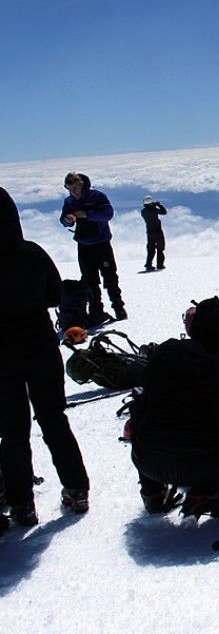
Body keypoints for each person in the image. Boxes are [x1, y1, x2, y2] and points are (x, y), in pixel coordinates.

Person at [130, 296, 219, 518]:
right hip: (201, 467)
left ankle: (152, 492)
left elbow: (145, 392)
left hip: (146, 461)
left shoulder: (168, 350)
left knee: (147, 409)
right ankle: (209, 489)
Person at [1, 186, 90, 526]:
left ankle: (22, 504)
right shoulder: (32, 253)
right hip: (40, 346)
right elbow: (55, 295)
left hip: (2, 357)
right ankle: (77, 490)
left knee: (13, 432)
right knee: (54, 420)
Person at [59, 172, 126, 322]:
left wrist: (87, 215)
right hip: (84, 245)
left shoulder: (97, 196)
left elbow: (108, 214)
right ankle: (96, 311)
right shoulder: (69, 202)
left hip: (101, 243)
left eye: (75, 188)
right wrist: (68, 220)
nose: (73, 192)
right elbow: (63, 220)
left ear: (82, 185)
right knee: (90, 281)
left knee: (110, 277)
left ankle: (118, 308)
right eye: (70, 189)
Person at [141, 195, 167, 271]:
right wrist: (159, 205)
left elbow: (149, 210)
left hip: (149, 232)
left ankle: (148, 265)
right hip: (158, 231)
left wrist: (153, 206)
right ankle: (160, 265)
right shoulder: (154, 209)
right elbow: (164, 212)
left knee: (150, 250)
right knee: (160, 248)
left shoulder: (143, 211)